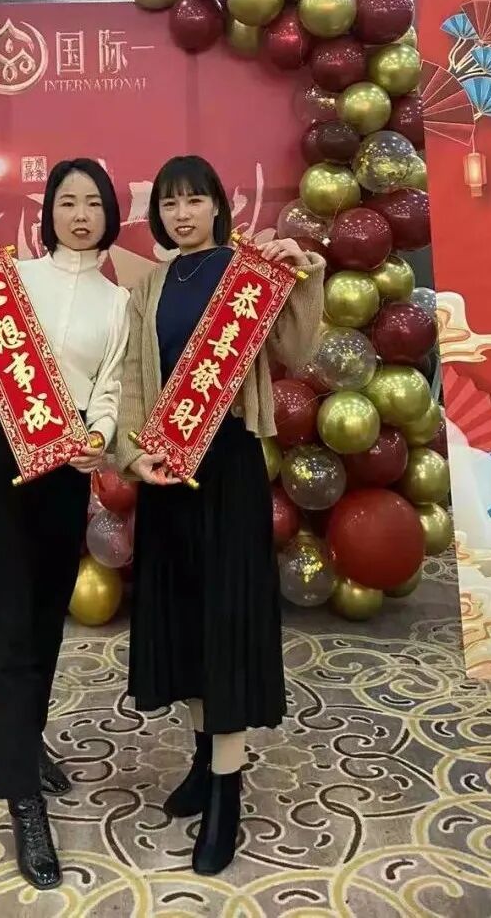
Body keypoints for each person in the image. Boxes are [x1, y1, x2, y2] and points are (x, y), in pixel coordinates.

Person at [0, 158, 129, 891]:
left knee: (44, 616)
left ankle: (25, 739)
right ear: (48, 213)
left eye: (92, 202)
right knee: (1, 619)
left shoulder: (118, 303)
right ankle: (22, 799)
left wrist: (99, 436)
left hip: (64, 466)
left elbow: (110, 389)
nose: (80, 214)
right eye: (67, 201)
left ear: (110, 214)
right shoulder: (8, 283)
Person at [115, 155, 325, 876]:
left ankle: (228, 793)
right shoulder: (148, 287)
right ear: (159, 214)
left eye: (194, 200)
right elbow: (134, 380)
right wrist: (134, 455)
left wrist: (304, 276)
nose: (182, 214)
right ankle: (204, 762)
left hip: (229, 467)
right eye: (170, 203)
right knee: (187, 622)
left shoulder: (248, 275)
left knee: (227, 623)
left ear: (216, 206)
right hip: (167, 473)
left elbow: (298, 348)